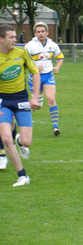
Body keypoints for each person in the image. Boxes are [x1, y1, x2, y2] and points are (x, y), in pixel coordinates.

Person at [0, 24, 41, 186]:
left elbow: (35, 72)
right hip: (2, 101)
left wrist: (35, 97)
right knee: (5, 138)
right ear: (1, 39)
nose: (15, 40)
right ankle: (22, 175)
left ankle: (21, 141)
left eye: (15, 37)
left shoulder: (22, 52)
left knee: (26, 142)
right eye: (11, 37)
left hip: (21, 99)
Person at [25, 22, 64, 136]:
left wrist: (57, 66)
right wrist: (34, 67)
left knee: (51, 99)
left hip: (48, 76)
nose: (41, 34)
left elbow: (60, 57)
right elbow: (24, 61)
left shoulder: (52, 44)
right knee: (36, 105)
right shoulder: (29, 46)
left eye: (43, 31)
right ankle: (18, 114)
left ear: (47, 32)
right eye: (38, 32)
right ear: (35, 33)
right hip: (35, 77)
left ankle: (55, 127)